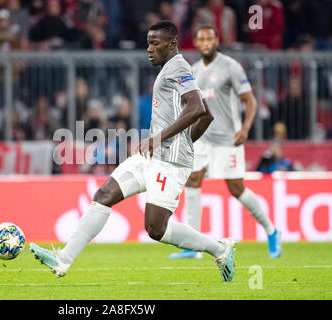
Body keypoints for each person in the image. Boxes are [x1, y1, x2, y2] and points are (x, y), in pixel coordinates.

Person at [30, 21, 236, 282]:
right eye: (148, 43)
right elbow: (206, 114)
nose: (149, 49)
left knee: (155, 228)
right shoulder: (171, 69)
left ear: (172, 43)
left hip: (169, 162)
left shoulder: (179, 67)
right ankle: (63, 259)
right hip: (153, 156)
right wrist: (181, 141)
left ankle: (220, 248)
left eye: (155, 43)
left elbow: (196, 108)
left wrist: (163, 140)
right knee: (104, 194)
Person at [169, 26, 282, 260]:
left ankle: (271, 230)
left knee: (236, 188)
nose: (206, 42)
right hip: (202, 138)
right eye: (201, 38)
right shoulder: (194, 70)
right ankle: (193, 244)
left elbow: (250, 100)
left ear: (217, 40)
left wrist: (245, 128)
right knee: (192, 180)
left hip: (227, 139)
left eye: (210, 37)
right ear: (197, 43)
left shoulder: (231, 66)